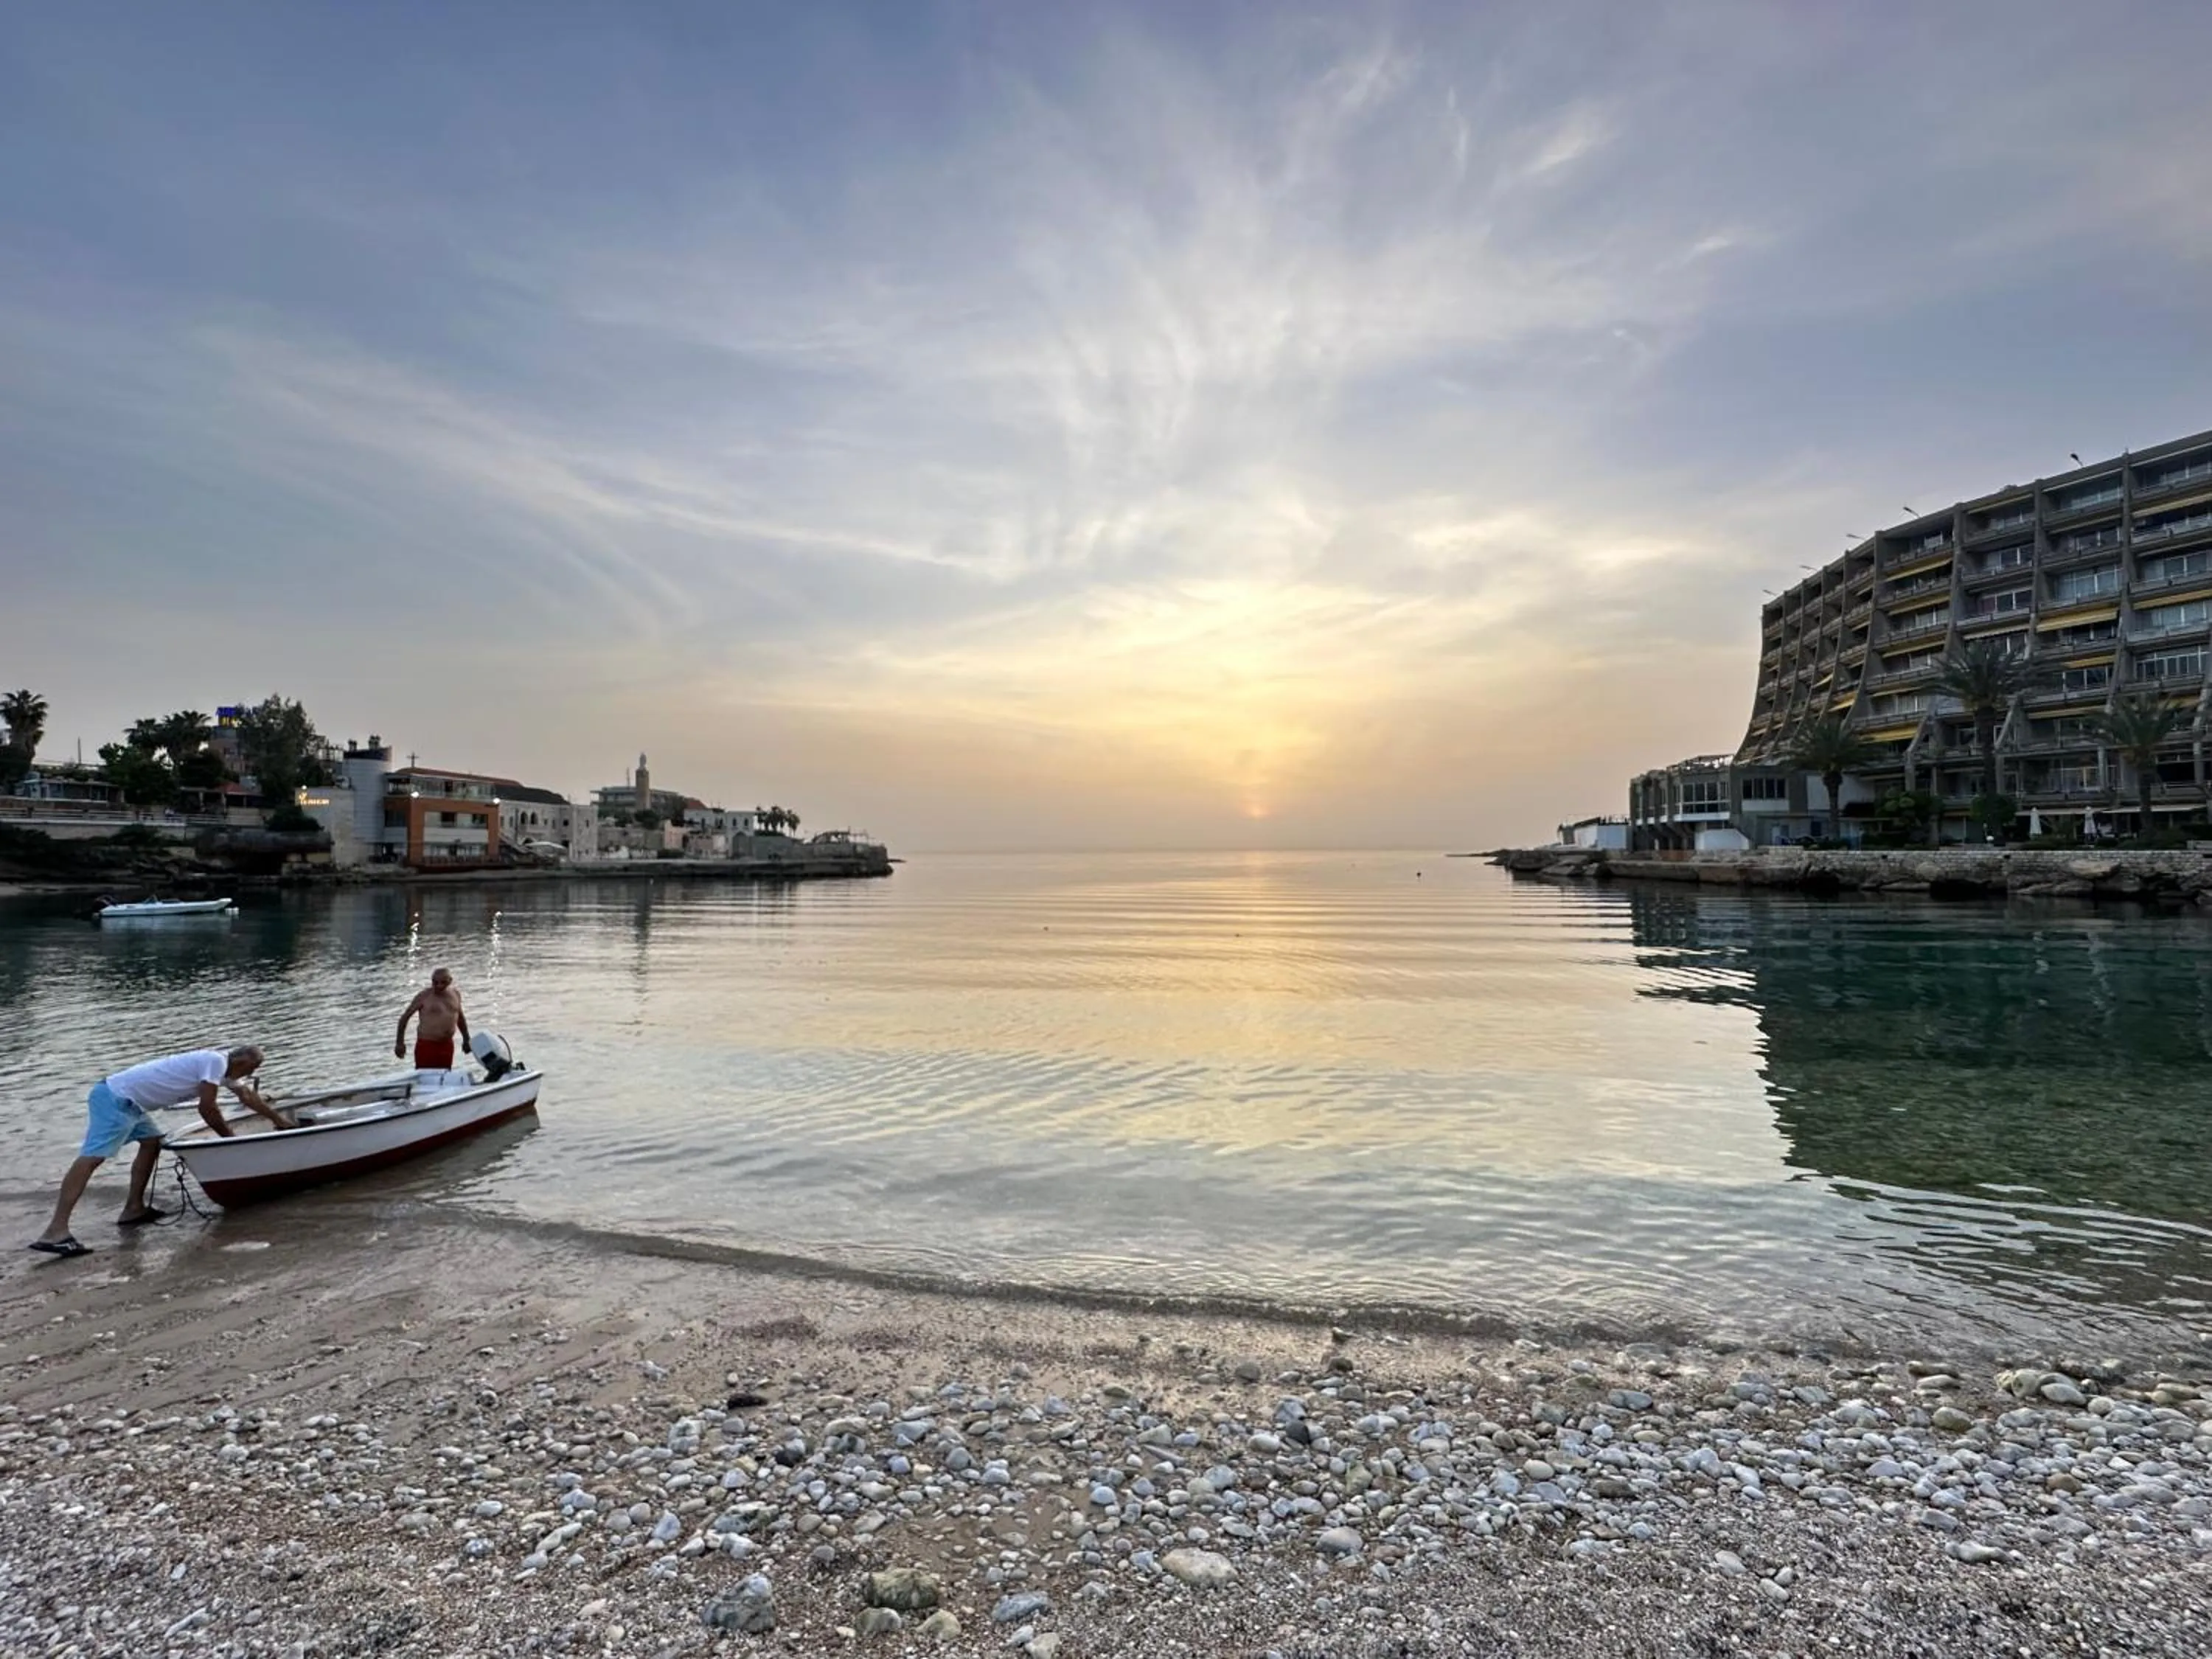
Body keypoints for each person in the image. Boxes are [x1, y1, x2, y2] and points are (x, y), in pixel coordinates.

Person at [30, 1044, 288, 1258]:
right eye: (253, 1069)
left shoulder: (222, 1068)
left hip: (128, 1101)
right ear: (242, 1062)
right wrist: (230, 1141)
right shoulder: (215, 1062)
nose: (250, 1074)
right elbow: (207, 1108)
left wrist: (279, 1120)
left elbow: (248, 1097)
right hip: (116, 1100)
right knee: (91, 1159)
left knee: (152, 1141)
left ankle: (134, 1208)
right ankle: (56, 1231)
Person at [395, 967, 471, 1069]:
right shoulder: (424, 996)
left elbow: (460, 1017)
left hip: (447, 1045)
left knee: (445, 1075)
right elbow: (404, 1018)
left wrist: (466, 1038)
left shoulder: (455, 994)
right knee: (425, 1077)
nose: (439, 986)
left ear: (450, 981)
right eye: (435, 982)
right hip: (427, 1045)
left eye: (443, 982)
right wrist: (400, 1043)